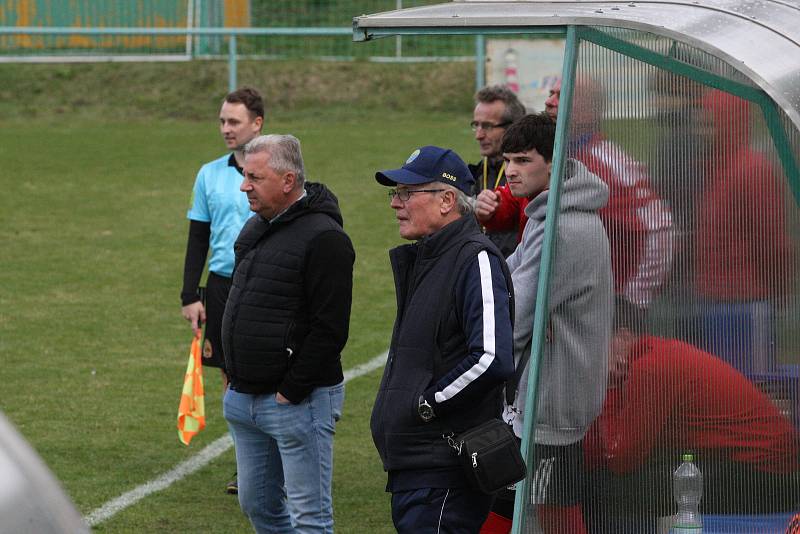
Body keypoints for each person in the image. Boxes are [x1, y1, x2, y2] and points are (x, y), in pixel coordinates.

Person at [370, 145, 515, 533]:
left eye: (407, 193)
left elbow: (492, 357)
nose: (396, 203)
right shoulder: (429, 257)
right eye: (395, 193)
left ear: (447, 200)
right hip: (418, 466)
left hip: (443, 468)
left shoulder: (474, 258)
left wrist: (427, 405)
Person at [481, 113, 613, 534]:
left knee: (549, 513)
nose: (511, 171)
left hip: (552, 401)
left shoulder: (562, 227)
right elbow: (507, 278)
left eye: (523, 160)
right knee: (515, 502)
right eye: (508, 160)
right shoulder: (547, 214)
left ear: (554, 163)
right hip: (543, 394)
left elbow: (513, 316)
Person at [221, 134, 355, 534]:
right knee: (257, 505)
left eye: (254, 177)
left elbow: (330, 328)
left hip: (296, 401)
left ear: (287, 180)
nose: (244, 185)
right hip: (246, 397)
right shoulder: (258, 225)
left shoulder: (325, 239)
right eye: (245, 175)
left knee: (310, 518)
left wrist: (291, 391)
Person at [583, 297, 800, 532]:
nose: (592, 355)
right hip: (765, 470)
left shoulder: (649, 368)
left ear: (623, 337)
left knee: (599, 489)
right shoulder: (653, 357)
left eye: (597, 342)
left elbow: (620, 458)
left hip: (769, 479)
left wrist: (610, 385)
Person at [476, 77, 673, 310]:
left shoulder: (609, 163)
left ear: (589, 110)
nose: (549, 102)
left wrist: (634, 300)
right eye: (550, 93)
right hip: (544, 303)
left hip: (593, 307)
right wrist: (491, 208)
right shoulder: (544, 155)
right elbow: (513, 204)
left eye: (561, 95)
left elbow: (659, 228)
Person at [180, 86, 264, 494]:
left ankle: (270, 461)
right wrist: (189, 295)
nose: (226, 129)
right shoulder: (209, 173)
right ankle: (245, 464)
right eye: (222, 121)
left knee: (263, 374)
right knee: (230, 379)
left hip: (264, 286)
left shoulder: (275, 173)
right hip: (221, 286)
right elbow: (198, 237)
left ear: (257, 124)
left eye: (234, 121)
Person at [693, 89, 795, 374]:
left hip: (747, 306)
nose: (702, 132)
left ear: (730, 122)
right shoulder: (716, 167)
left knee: (753, 386)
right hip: (716, 304)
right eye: (701, 124)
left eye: (709, 124)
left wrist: (776, 295)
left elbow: (772, 243)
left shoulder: (751, 170)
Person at [469, 85, 527, 257]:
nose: (478, 135)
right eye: (476, 125)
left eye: (487, 126)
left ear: (512, 127)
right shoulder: (475, 174)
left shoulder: (530, 177)